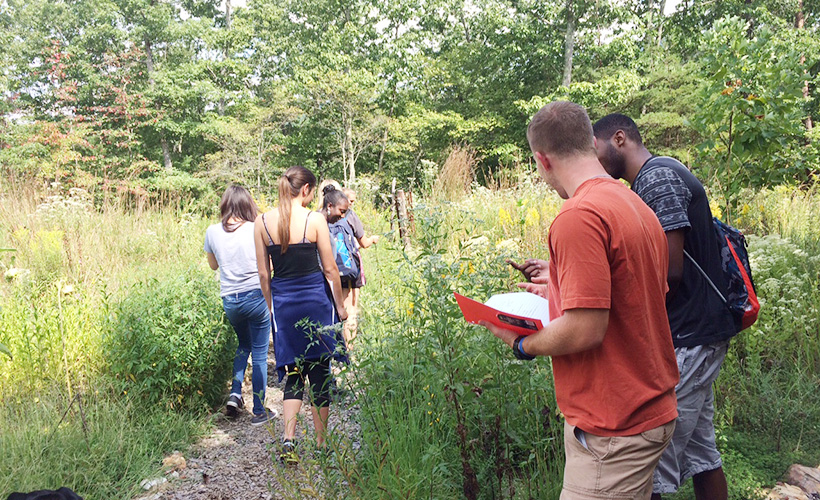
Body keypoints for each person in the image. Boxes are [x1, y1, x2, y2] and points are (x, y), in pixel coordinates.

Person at [483, 101, 679, 499]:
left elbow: (586, 328)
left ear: (542, 159)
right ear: (591, 142)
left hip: (613, 426)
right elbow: (635, 294)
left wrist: (522, 344)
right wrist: (555, 290)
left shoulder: (578, 216)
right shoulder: (633, 203)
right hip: (649, 408)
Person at [592, 113, 735, 500]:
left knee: (652, 464)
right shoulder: (654, 177)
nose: (593, 161)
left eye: (596, 149)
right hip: (698, 332)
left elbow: (667, 270)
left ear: (619, 138)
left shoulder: (656, 177)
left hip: (689, 337)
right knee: (703, 454)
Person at [254, 166, 348, 463]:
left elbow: (263, 275)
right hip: (316, 303)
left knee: (293, 373)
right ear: (306, 190)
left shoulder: (262, 222)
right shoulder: (314, 219)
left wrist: (273, 306)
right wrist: (341, 307)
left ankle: (289, 441)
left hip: (284, 305)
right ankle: (321, 444)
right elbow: (331, 269)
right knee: (320, 372)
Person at [204, 185, 276, 426]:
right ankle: (258, 409)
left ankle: (235, 394)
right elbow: (268, 265)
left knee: (242, 345)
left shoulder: (212, 232)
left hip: (230, 300)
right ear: (248, 204)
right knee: (259, 352)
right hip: (256, 296)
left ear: (225, 204)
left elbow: (214, 266)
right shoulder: (256, 228)